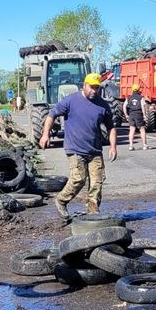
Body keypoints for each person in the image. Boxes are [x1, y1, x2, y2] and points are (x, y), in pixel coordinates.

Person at [38, 72, 117, 221]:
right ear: (84, 85)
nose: (94, 90)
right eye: (92, 87)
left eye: (97, 88)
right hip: (75, 148)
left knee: (97, 182)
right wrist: (45, 134)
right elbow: (52, 114)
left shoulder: (103, 105)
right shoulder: (71, 100)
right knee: (78, 179)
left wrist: (113, 146)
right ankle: (61, 200)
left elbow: (111, 127)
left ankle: (93, 212)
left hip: (94, 150)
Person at [122, 82, 149, 150]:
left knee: (132, 130)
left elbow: (124, 106)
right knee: (142, 129)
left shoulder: (128, 98)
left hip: (131, 115)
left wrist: (126, 115)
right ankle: (144, 145)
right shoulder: (141, 98)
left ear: (132, 89)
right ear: (139, 90)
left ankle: (131, 146)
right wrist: (144, 115)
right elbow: (143, 107)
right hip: (138, 115)